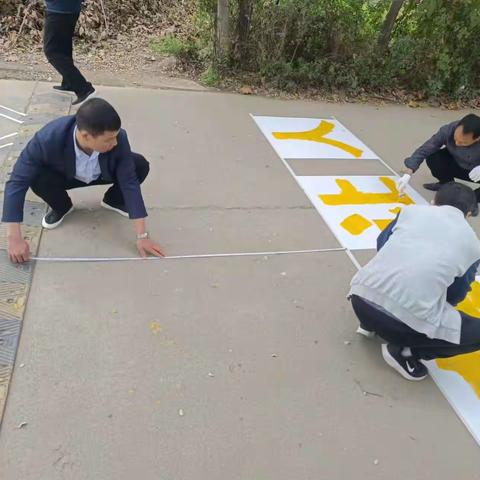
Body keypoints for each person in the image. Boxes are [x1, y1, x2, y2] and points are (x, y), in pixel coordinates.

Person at [2, 98, 164, 263]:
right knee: (35, 177)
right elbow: (17, 182)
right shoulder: (48, 138)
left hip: (101, 173)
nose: (115, 143)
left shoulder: (119, 138)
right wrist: (14, 238)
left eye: (116, 136)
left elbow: (129, 181)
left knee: (139, 165)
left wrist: (142, 236)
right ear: (86, 135)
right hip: (66, 176)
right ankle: (62, 207)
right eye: (108, 139)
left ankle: (113, 201)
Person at [348, 182, 480, 381]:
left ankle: (369, 324)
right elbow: (456, 293)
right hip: (400, 323)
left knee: (392, 284)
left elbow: (382, 243)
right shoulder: (473, 245)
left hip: (359, 298)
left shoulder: (410, 212)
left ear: (433, 201)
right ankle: (405, 353)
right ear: (469, 213)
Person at [397, 114, 480, 215]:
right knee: (434, 157)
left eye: (463, 143)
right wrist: (408, 172)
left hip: (476, 172)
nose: (457, 143)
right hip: (458, 163)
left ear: (477, 138)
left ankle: (472, 200)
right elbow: (427, 148)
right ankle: (446, 185)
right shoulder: (449, 129)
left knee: (472, 198)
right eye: (455, 139)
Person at [43, 0, 95, 105]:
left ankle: (83, 87)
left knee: (52, 51)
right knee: (63, 46)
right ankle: (68, 83)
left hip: (59, 10)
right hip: (70, 9)